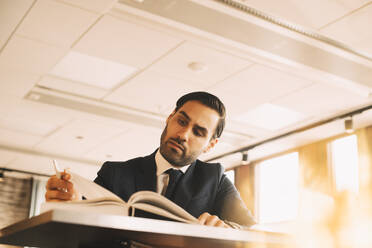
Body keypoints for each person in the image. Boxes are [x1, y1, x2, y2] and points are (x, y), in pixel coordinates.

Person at [45, 91, 255, 228]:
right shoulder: (115, 173)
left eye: (198, 132)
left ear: (210, 145)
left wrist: (226, 228)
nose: (183, 134)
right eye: (181, 121)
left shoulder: (215, 179)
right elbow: (85, 223)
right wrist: (71, 204)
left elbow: (251, 232)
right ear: (170, 117)